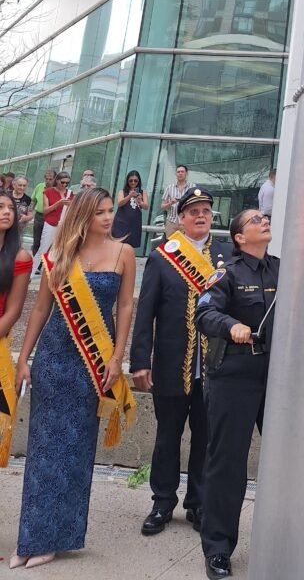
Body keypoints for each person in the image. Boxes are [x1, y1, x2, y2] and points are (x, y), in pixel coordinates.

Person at [12, 188, 136, 568]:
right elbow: (40, 310)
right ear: (83, 215)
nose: (107, 217)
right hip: (53, 358)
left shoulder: (124, 253)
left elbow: (125, 306)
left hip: (92, 364)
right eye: (100, 212)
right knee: (42, 451)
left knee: (75, 451)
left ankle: (56, 537)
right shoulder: (60, 253)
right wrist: (24, 358)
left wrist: (117, 357)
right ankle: (31, 538)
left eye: (109, 211)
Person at [195, 209, 304, 579]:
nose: (264, 220)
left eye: (265, 217)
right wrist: (231, 325)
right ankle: (218, 548)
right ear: (239, 237)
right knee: (227, 464)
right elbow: (204, 313)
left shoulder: (283, 269)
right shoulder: (228, 273)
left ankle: (290, 546)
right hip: (234, 376)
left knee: (287, 464)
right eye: (254, 220)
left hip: (279, 377)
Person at [130, 188, 229, 537]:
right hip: (172, 364)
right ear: (182, 217)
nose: (201, 216)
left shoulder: (226, 256)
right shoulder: (163, 256)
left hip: (214, 368)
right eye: (194, 211)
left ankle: (198, 503)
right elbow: (146, 313)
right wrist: (140, 360)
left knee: (205, 439)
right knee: (167, 437)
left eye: (206, 211)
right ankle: (162, 502)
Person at [0, 194, 33, 466]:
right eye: (0, 207)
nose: (6, 212)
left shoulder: (20, 257)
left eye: (11, 208)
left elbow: (14, 311)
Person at [34, 172, 74, 274]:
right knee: (43, 249)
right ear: (57, 181)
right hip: (50, 223)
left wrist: (70, 205)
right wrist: (58, 204)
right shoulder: (48, 192)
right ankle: (31, 272)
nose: (65, 185)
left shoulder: (70, 193)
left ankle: (51, 274)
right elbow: (45, 210)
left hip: (63, 225)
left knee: (57, 251)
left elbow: (73, 211)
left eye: (67, 183)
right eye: (62, 182)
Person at [112, 170, 149, 249]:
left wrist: (140, 201)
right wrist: (129, 196)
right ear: (127, 181)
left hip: (134, 223)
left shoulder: (143, 192)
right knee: (119, 243)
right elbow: (119, 203)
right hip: (122, 222)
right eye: (131, 180)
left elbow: (146, 207)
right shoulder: (122, 192)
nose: (133, 182)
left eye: (135, 181)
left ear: (138, 181)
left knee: (131, 245)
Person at [161, 165, 192, 239]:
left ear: (186, 173)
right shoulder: (169, 188)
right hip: (171, 222)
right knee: (170, 244)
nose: (180, 173)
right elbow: (162, 206)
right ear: (176, 174)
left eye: (182, 172)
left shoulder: (192, 187)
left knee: (184, 244)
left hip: (186, 222)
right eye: (178, 172)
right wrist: (170, 203)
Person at [30, 171, 55, 259]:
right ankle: (35, 261)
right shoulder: (39, 186)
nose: (48, 181)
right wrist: (30, 212)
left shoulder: (57, 189)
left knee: (48, 242)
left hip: (51, 217)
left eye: (50, 179)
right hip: (39, 217)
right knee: (37, 240)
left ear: (54, 179)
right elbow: (33, 201)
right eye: (46, 179)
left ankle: (43, 262)